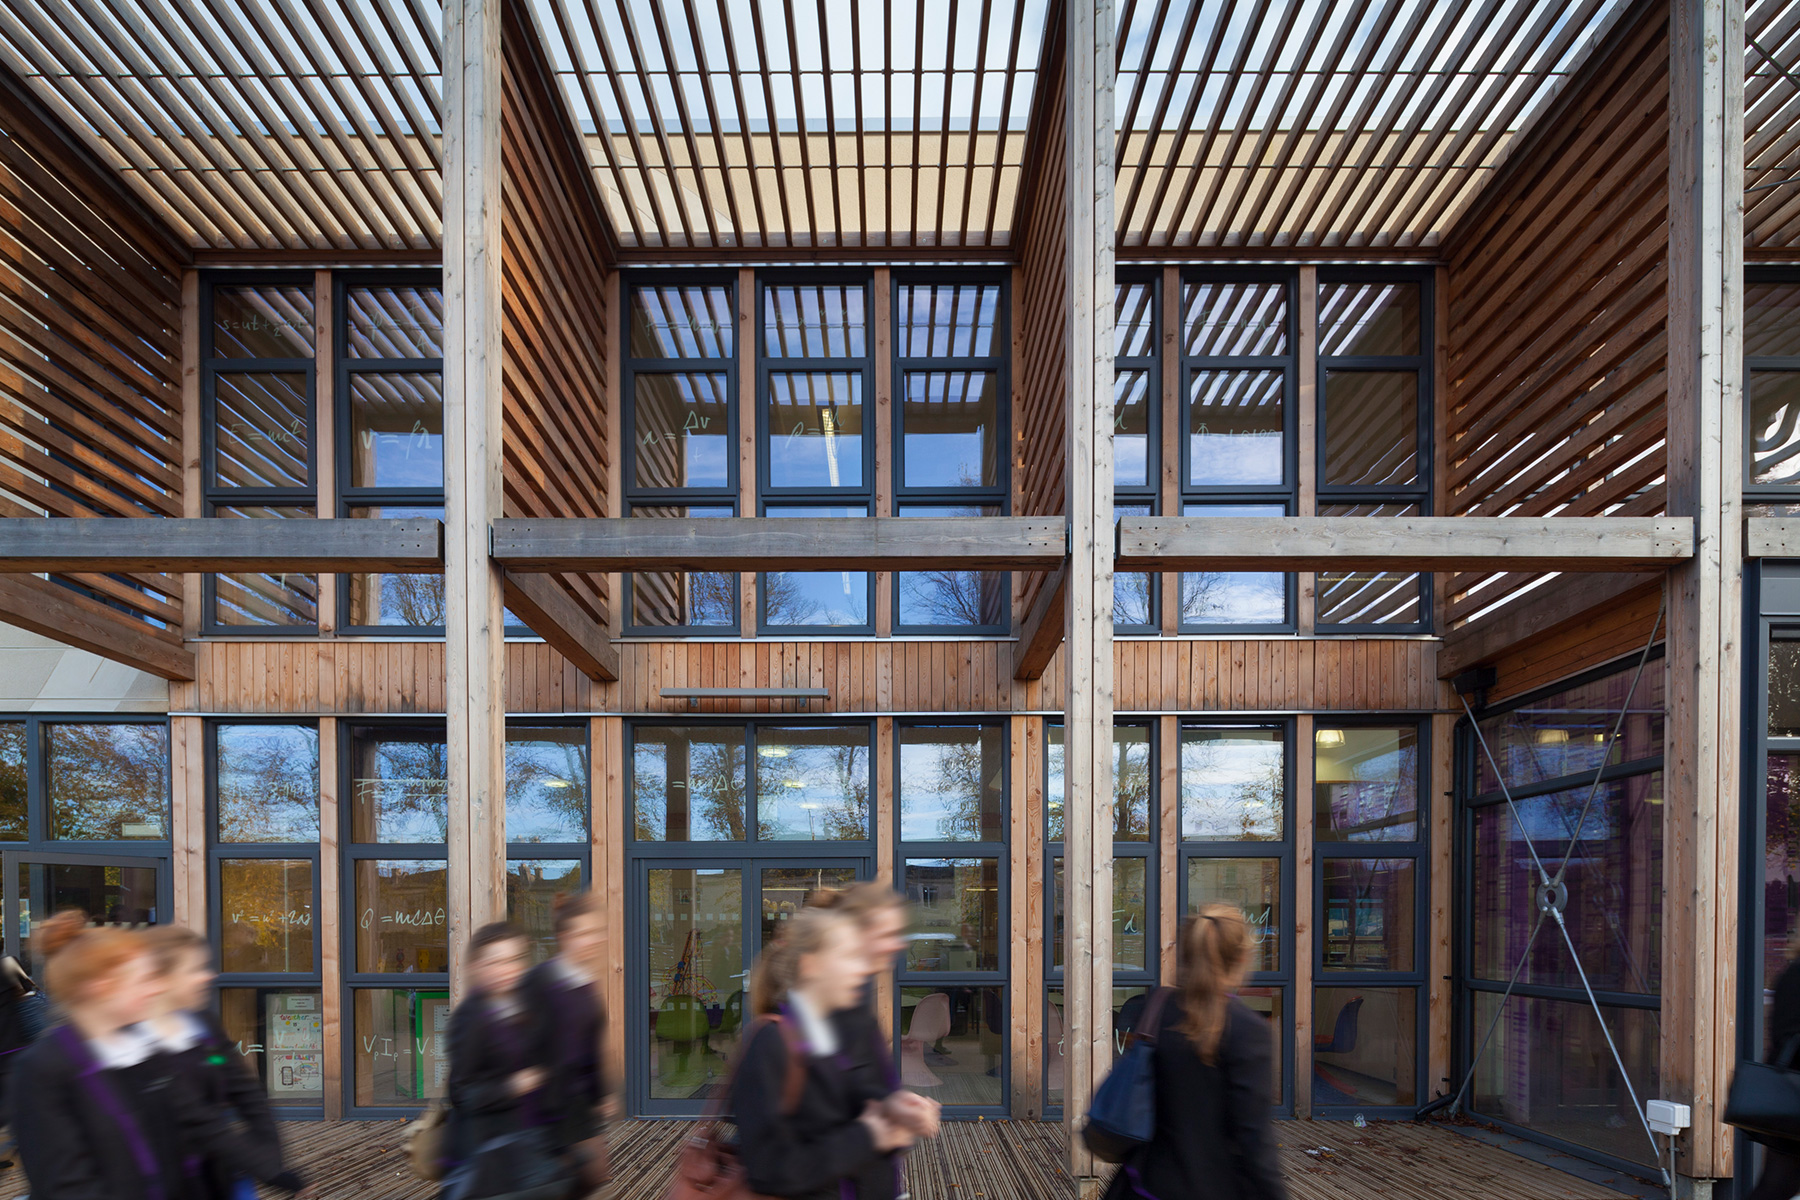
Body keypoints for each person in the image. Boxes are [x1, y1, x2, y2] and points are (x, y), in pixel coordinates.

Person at [6, 928, 291, 1200]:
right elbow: (65, 1186)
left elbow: (201, 1120)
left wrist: (271, 1171)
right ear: (102, 986)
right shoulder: (43, 1069)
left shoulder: (142, 1049)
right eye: (143, 980)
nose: (155, 989)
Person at [1100, 905, 1287, 1200]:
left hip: (1141, 1185)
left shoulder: (1158, 1008)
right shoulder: (1248, 1031)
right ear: (1240, 958)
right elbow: (1254, 1141)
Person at [732, 905, 916, 1200]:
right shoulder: (770, 1044)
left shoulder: (836, 1035)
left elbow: (852, 1110)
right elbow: (771, 1169)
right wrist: (870, 1134)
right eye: (847, 956)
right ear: (811, 965)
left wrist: (895, 1111)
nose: (861, 968)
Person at [140, 926, 304, 1200]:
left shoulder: (202, 1023)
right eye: (194, 970)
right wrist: (266, 1169)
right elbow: (200, 1121)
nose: (208, 976)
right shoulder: (133, 1047)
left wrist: (272, 1158)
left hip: (219, 1174)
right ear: (161, 978)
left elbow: (246, 1092)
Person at [519, 892, 609, 1191]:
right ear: (565, 937)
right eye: (585, 933)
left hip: (578, 1109)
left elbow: (590, 1050)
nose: (594, 940)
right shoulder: (538, 982)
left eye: (597, 931)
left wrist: (601, 1096)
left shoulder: (587, 986)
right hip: (540, 1113)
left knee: (591, 1181)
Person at [444, 923, 542, 1187]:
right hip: (485, 1152)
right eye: (495, 962)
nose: (506, 969)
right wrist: (514, 1085)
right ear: (477, 967)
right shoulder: (470, 1018)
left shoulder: (519, 1005)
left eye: (513, 960)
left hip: (521, 1140)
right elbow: (462, 1094)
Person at [1750, 939, 1800, 1200]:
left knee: (1776, 1186)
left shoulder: (1790, 975)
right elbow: (1786, 1039)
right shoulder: (1794, 978)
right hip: (1792, 1100)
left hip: (1788, 1100)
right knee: (1775, 1187)